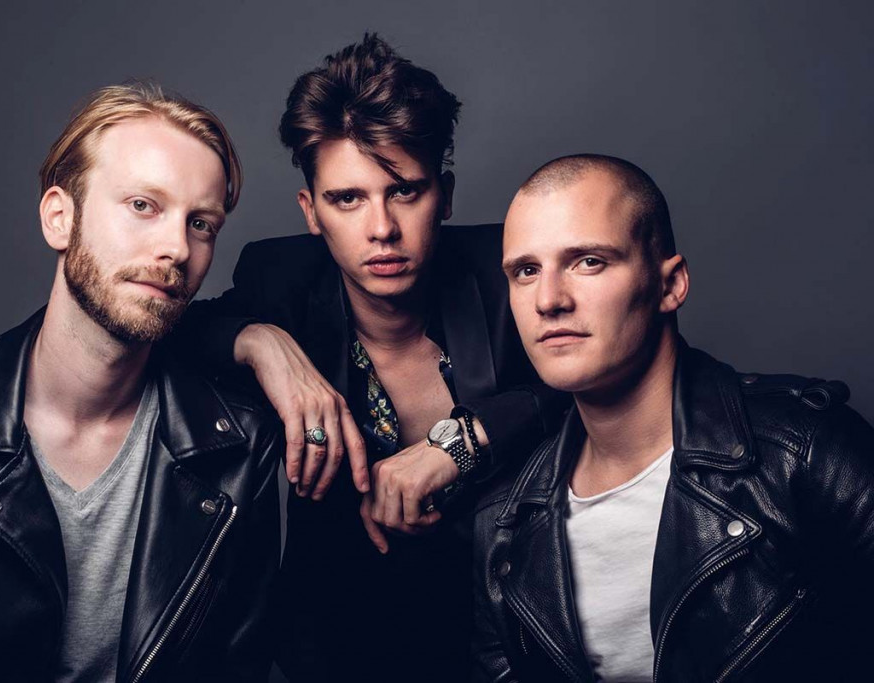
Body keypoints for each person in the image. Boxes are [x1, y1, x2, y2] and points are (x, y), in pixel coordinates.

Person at [0, 82, 281, 683]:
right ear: (60, 217)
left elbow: (239, 670)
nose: (177, 248)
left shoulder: (239, 448)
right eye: (143, 205)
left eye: (202, 223)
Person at [184, 34, 562, 682]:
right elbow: (174, 333)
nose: (381, 228)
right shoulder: (280, 282)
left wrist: (465, 440)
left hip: (515, 638)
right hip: (334, 647)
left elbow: (608, 373)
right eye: (348, 199)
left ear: (444, 195)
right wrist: (262, 343)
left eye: (404, 191)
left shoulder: (508, 274)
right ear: (312, 211)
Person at [474, 154, 874, 682]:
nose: (548, 300)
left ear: (671, 285)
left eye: (588, 261)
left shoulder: (805, 454)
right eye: (526, 271)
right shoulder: (502, 525)